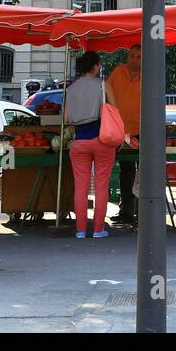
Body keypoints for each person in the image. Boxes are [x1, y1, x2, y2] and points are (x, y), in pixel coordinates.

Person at [64, 51, 117, 239]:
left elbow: (66, 118)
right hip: (102, 140)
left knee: (81, 187)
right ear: (95, 66)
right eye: (99, 64)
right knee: (101, 185)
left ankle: (80, 230)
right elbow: (114, 110)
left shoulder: (70, 89)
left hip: (79, 142)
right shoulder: (103, 85)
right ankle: (98, 230)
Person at [105, 44, 142, 227]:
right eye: (132, 55)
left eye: (138, 56)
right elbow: (106, 92)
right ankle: (126, 211)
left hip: (142, 131)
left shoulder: (148, 76)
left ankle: (143, 212)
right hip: (122, 131)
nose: (134, 59)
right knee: (126, 172)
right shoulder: (118, 71)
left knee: (144, 173)